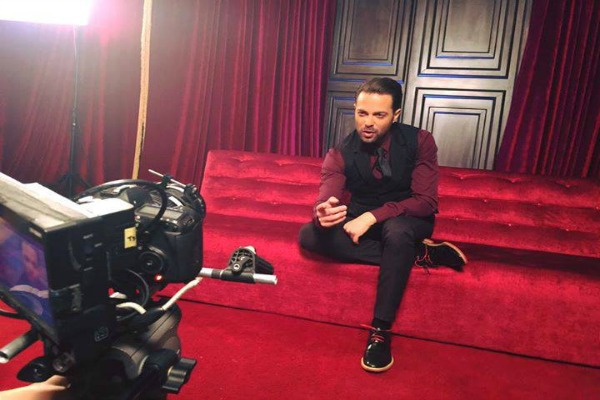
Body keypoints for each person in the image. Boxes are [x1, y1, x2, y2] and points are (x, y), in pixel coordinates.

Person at [298, 77, 467, 373]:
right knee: (309, 235)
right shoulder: (340, 151)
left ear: (395, 115)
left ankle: (380, 331)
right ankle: (421, 255)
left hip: (409, 219)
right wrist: (323, 211)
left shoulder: (420, 141)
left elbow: (426, 201)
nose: (368, 123)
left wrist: (374, 216)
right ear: (355, 109)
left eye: (379, 115)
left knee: (397, 232)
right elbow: (329, 194)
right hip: (364, 221)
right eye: (362, 113)